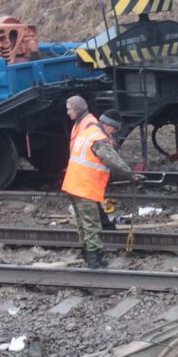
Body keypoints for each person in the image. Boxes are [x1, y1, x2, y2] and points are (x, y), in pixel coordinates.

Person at [62, 106, 142, 268]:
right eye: (114, 129)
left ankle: (86, 253)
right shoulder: (99, 139)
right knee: (92, 224)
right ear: (109, 125)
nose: (113, 133)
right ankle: (94, 260)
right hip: (84, 187)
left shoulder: (87, 133)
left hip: (73, 184)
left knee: (82, 223)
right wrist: (131, 175)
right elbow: (113, 160)